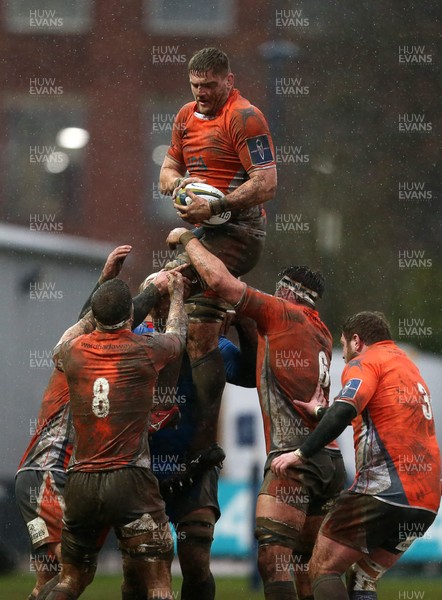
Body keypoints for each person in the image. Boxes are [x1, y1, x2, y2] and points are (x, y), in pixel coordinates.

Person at [166, 228, 346, 600]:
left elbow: (218, 279)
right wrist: (242, 320)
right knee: (308, 567)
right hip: (329, 461)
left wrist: (186, 238)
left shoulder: (282, 313)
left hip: (296, 461)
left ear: (284, 293)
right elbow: (256, 360)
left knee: (273, 559)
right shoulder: (319, 330)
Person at [159, 46, 277, 470]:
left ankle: (179, 421)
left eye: (209, 85)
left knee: (162, 285)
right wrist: (182, 188)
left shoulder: (245, 117)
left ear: (228, 80)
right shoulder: (185, 116)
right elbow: (166, 174)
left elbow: (267, 183)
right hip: (205, 229)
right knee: (201, 332)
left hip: (240, 233)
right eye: (195, 86)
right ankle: (199, 437)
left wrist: (219, 203)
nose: (201, 93)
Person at [271, 311, 441, 600]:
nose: (343, 357)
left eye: (344, 347)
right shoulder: (406, 366)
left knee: (323, 568)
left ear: (356, 341)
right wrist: (320, 412)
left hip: (384, 490)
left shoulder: (366, 361)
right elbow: (373, 416)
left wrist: (301, 452)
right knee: (362, 578)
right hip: (426, 500)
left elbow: (346, 410)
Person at [39, 272, 187, 600]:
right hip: (130, 480)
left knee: (70, 580)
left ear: (96, 316)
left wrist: (98, 301)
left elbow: (64, 340)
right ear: (131, 317)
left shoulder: (72, 352)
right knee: (158, 581)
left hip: (81, 483)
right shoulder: (146, 349)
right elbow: (178, 337)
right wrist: (176, 295)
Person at [15, 245, 133, 600]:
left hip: (36, 479)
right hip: (48, 477)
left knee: (49, 579)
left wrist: (104, 280)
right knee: (74, 572)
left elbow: (95, 317)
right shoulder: (85, 358)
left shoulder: (72, 351)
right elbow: (108, 317)